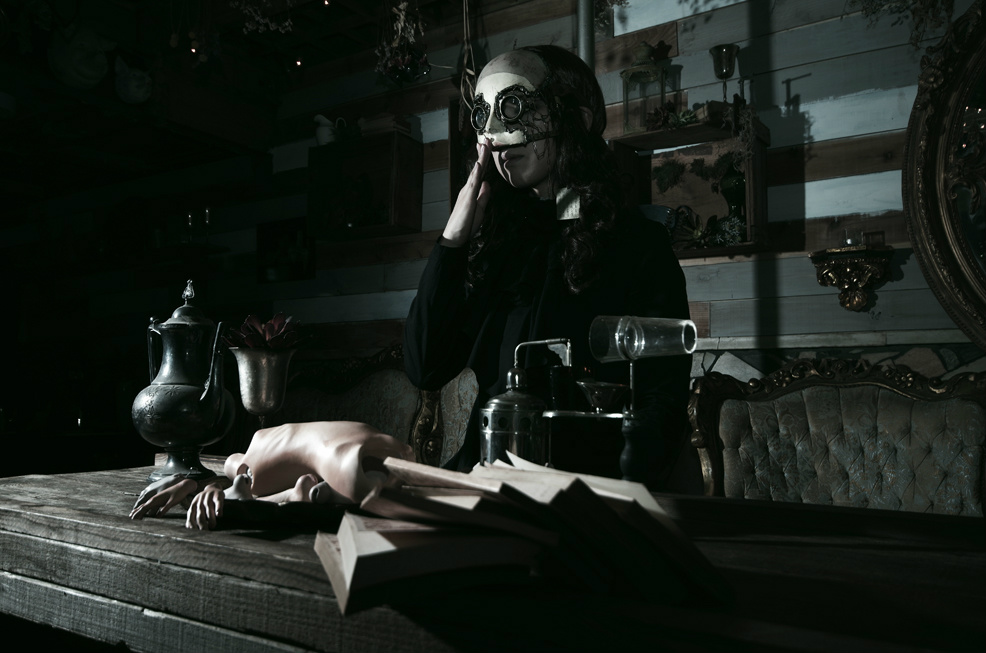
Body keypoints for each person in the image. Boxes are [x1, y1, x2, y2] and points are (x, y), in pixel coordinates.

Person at [403, 45, 697, 490]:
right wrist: (454, 238)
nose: (496, 134)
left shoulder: (636, 244)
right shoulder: (497, 244)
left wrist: (621, 495)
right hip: (486, 479)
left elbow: (662, 399)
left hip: (586, 491)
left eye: (514, 106)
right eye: (483, 113)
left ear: (574, 119)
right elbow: (425, 367)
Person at [129, 421, 414, 530]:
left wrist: (193, 485)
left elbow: (236, 482)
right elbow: (235, 483)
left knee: (245, 484)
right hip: (384, 449)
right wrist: (193, 485)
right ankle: (303, 495)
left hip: (344, 460)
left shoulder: (252, 458)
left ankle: (301, 495)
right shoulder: (258, 451)